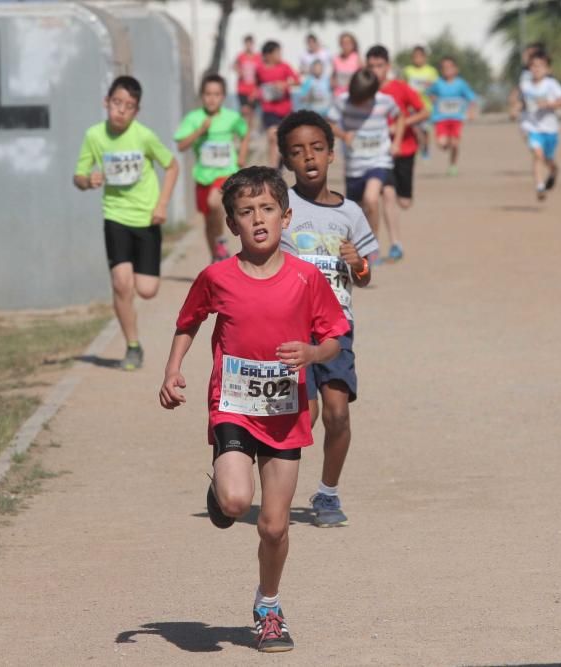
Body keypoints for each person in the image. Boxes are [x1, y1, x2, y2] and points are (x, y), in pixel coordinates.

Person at [159, 166, 348, 652]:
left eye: (267, 210)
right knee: (239, 503)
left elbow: (332, 337)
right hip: (234, 408)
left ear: (285, 217)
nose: (258, 219)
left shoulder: (306, 278)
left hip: (286, 414)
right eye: (246, 212)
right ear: (232, 224)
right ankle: (223, 493)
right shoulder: (216, 276)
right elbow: (189, 321)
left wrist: (311, 354)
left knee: (274, 525)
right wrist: (173, 369)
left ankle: (269, 607)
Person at [277, 111, 378, 527]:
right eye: (298, 152)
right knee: (304, 415)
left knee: (337, 413)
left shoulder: (350, 213)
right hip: (291, 325)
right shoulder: (280, 206)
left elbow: (366, 276)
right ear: (286, 161)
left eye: (317, 148)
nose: (309, 158)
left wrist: (359, 264)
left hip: (336, 327)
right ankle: (272, 486)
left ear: (332, 155)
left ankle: (328, 494)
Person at [73, 76, 180, 370]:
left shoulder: (144, 136)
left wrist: (162, 204)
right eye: (117, 103)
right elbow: (78, 175)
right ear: (106, 102)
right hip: (115, 216)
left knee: (146, 290)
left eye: (129, 106)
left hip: (146, 218)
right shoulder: (94, 136)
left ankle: (132, 285)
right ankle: (132, 346)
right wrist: (87, 180)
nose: (121, 110)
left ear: (137, 110)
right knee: (122, 284)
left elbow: (172, 166)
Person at [175, 73, 250, 263]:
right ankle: (215, 257)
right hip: (203, 175)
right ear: (201, 96)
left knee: (214, 202)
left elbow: (245, 133)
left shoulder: (231, 117)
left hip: (226, 173)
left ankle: (221, 241)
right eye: (208, 94)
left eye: (216, 94)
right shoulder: (194, 118)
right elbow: (181, 145)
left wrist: (241, 156)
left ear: (223, 96)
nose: (212, 98)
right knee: (208, 221)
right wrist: (200, 130)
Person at [327, 69, 403, 253]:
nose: (358, 103)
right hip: (354, 165)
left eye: (362, 100)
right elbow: (329, 122)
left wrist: (397, 143)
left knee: (371, 198)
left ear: (372, 94)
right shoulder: (343, 102)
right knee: (356, 211)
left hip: (379, 160)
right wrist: (344, 135)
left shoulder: (385, 102)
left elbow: (400, 116)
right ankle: (360, 242)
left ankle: (372, 245)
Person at [366, 45, 428, 261]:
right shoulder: (365, 90)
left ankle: (393, 242)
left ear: (388, 66)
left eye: (379, 66)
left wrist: (403, 124)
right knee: (387, 194)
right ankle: (395, 244)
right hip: (380, 153)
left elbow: (424, 111)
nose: (375, 70)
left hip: (405, 150)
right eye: (371, 66)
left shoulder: (400, 88)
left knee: (404, 202)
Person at [519, 52, 561, 201]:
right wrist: (516, 108)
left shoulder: (551, 84)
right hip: (533, 127)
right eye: (533, 66)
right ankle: (540, 186)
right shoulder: (525, 85)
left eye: (540, 66)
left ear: (547, 69)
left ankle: (554, 171)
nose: (536, 69)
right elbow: (521, 101)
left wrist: (549, 104)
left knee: (548, 158)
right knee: (537, 155)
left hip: (550, 129)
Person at [426, 56, 478, 177]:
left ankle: (453, 165)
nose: (447, 70)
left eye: (450, 67)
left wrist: (471, 111)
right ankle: (446, 143)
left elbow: (471, 98)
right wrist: (432, 98)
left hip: (456, 118)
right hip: (441, 118)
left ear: (456, 69)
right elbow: (429, 93)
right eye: (444, 68)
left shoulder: (461, 84)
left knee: (455, 144)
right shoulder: (438, 83)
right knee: (441, 144)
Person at [255, 41, 299, 168]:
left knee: (283, 139)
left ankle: (280, 162)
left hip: (285, 110)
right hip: (269, 110)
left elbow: (297, 81)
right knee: (272, 135)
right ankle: (273, 170)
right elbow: (257, 85)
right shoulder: (260, 69)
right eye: (277, 53)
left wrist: (284, 84)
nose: (280, 55)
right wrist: (257, 94)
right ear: (268, 55)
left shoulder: (285, 67)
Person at [401, 45, 438, 158]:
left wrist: (434, 97)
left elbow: (435, 88)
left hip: (426, 106)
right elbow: (403, 86)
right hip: (411, 106)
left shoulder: (431, 71)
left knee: (425, 130)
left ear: (424, 57)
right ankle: (416, 147)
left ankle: (426, 148)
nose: (417, 59)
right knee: (415, 129)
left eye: (420, 57)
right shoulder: (408, 70)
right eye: (415, 57)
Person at [234, 35, 262, 128]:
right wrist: (239, 71)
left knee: (251, 112)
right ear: (245, 44)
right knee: (244, 110)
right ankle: (239, 128)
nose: (248, 46)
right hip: (242, 89)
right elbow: (235, 66)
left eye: (250, 43)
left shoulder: (258, 57)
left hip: (254, 89)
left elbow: (261, 71)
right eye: (247, 43)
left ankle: (248, 131)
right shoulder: (240, 56)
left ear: (253, 44)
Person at [331, 32, 362, 97]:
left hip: (353, 95)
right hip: (338, 94)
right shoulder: (336, 59)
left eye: (348, 43)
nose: (345, 45)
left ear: (353, 44)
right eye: (343, 43)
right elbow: (333, 75)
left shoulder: (357, 58)